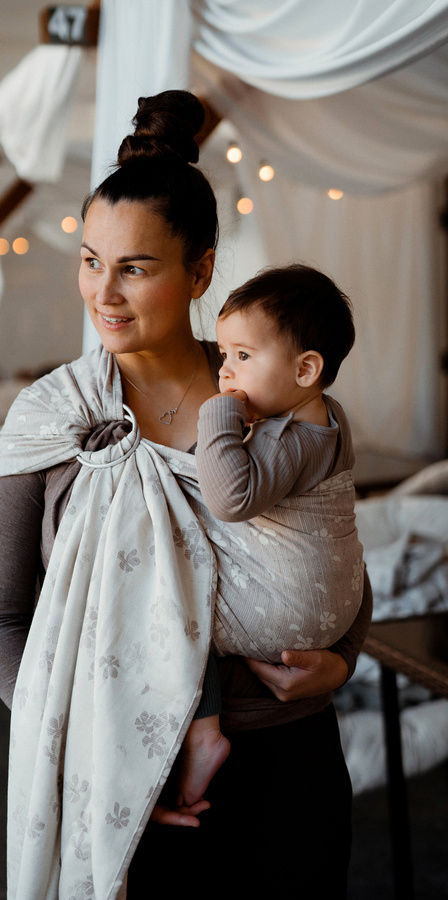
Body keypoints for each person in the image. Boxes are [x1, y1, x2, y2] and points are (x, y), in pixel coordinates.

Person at [0, 90, 372, 900]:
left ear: (199, 271)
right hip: (122, 768)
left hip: (291, 765)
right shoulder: (53, 419)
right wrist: (98, 744)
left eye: (135, 268)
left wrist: (342, 663)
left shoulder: (275, 402)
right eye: (90, 260)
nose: (103, 294)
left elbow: (330, 558)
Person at [178, 264, 363, 808]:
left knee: (174, 597)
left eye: (242, 356)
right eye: (223, 355)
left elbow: (229, 500)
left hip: (282, 618)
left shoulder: (288, 438)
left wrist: (216, 418)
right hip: (330, 614)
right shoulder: (331, 422)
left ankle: (203, 732)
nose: (224, 373)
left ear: (306, 369)